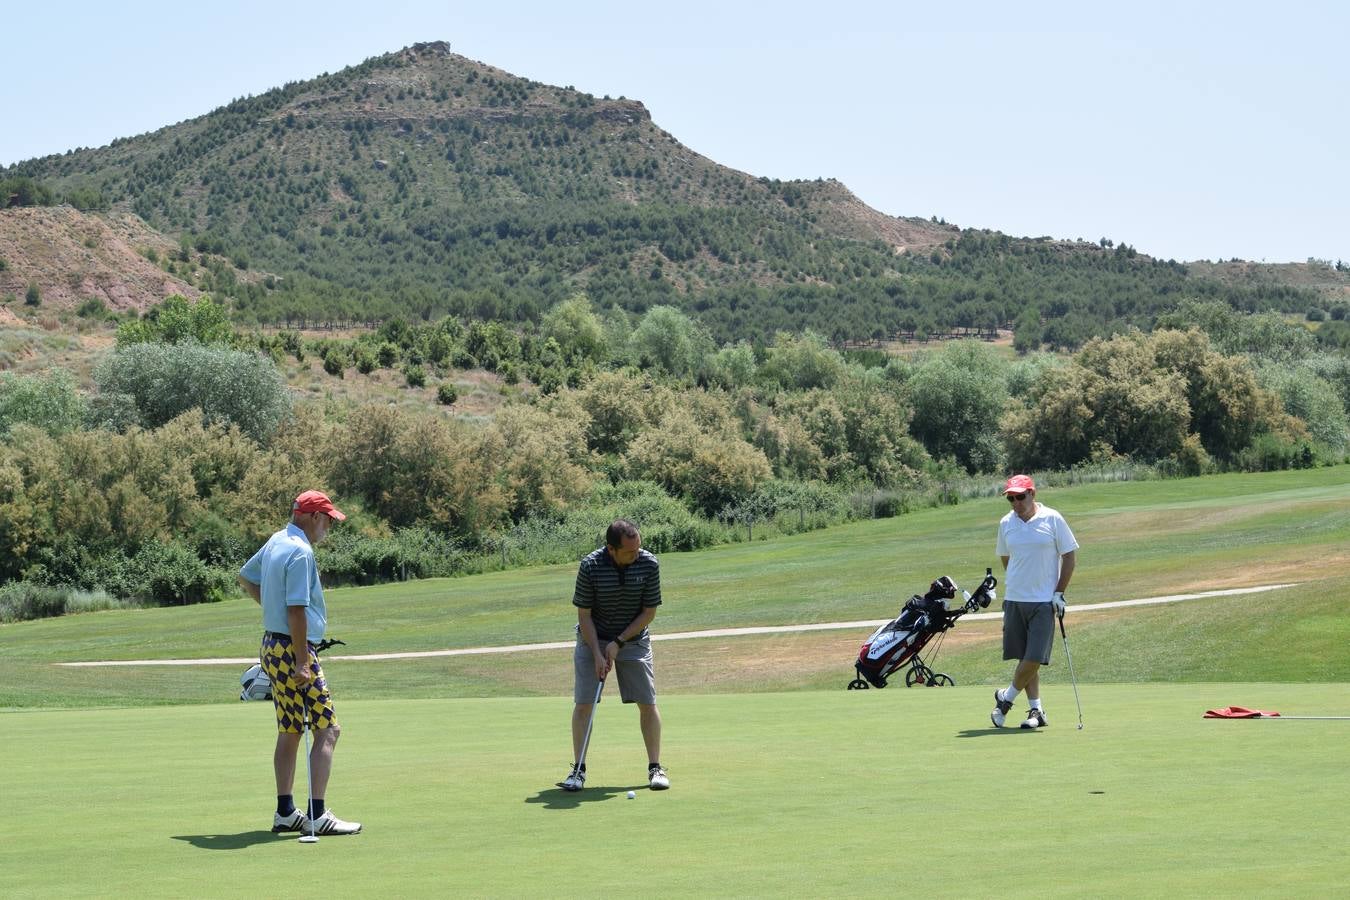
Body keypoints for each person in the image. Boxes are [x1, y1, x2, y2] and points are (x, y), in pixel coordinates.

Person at [238, 490, 362, 835]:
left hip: (272, 646)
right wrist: (303, 662)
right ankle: (317, 814)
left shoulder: (278, 540)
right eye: (327, 520)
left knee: (291, 729)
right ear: (312, 517)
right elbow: (296, 610)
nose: (328, 528)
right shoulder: (301, 551)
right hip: (295, 649)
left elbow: (246, 576)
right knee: (328, 729)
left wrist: (269, 608)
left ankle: (284, 812)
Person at [559, 518, 669, 792]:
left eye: (638, 548)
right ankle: (578, 771)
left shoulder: (649, 563)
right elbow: (584, 616)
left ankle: (655, 768)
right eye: (629, 551)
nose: (636, 555)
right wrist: (597, 653)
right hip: (592, 637)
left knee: (647, 701)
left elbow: (649, 613)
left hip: (633, 637)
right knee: (584, 703)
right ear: (611, 549)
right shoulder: (590, 566)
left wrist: (619, 642)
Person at [990, 475, 1078, 730]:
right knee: (1024, 657)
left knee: (1035, 657)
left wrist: (1059, 592)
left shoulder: (1052, 518)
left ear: (1032, 493)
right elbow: (1007, 559)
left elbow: (1070, 557)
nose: (1016, 502)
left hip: (1043, 601)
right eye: (1011, 498)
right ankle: (1037, 711)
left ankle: (1005, 699)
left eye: (1020, 496)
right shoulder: (1006, 523)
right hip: (1015, 600)